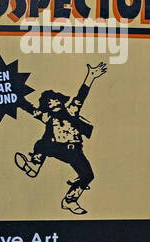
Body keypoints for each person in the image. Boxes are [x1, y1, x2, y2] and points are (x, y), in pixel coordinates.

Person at [14, 63, 107, 214]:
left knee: (88, 175)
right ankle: (34, 164)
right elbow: (31, 109)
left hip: (74, 151)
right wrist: (18, 100)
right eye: (50, 104)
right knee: (43, 143)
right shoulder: (47, 117)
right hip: (56, 148)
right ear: (47, 107)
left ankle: (70, 200)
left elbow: (80, 96)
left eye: (56, 101)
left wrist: (90, 76)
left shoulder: (72, 111)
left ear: (62, 102)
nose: (54, 104)